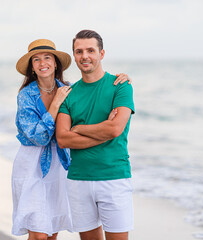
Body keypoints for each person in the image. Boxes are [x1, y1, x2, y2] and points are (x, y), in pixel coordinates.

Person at [12, 38, 131, 240]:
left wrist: (122, 78)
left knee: (51, 230)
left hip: (59, 165)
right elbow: (42, 137)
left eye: (47, 58)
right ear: (31, 67)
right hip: (32, 166)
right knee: (39, 233)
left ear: (56, 62)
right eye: (36, 60)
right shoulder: (27, 95)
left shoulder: (67, 89)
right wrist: (56, 104)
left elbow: (72, 131)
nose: (43, 64)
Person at [56, 30, 135, 240]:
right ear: (74, 56)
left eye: (91, 50)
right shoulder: (68, 93)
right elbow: (63, 139)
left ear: (101, 54)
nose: (85, 56)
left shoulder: (121, 86)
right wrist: (104, 129)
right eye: (79, 51)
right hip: (78, 179)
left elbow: (115, 129)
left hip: (114, 177)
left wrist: (80, 129)